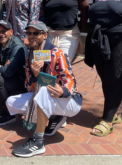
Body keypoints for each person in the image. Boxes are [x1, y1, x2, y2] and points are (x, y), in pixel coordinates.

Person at [6, 21, 82, 158]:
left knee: (44, 90)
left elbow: (71, 81)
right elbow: (29, 87)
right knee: (11, 102)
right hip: (46, 98)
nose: (31, 36)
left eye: (36, 33)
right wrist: (35, 76)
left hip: (68, 101)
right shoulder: (31, 55)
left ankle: (38, 141)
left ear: (45, 35)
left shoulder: (57, 53)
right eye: (29, 33)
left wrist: (63, 91)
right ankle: (54, 116)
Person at [85, 0, 122, 137]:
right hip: (98, 38)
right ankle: (113, 111)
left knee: (115, 76)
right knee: (105, 76)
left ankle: (107, 120)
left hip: (119, 39)